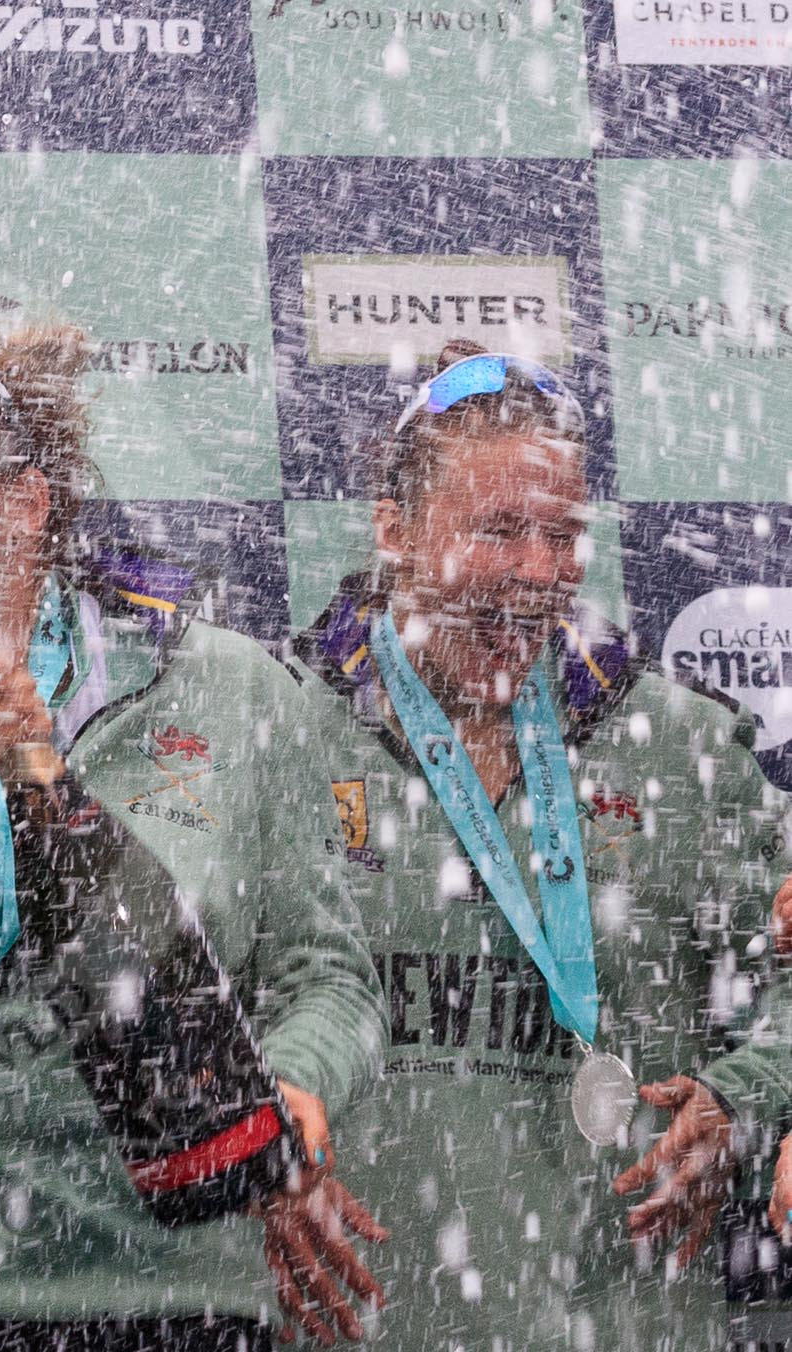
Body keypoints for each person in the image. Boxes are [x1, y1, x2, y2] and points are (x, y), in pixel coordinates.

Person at [0, 325, 388, 1351]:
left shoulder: (223, 686)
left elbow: (332, 976)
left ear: (21, 506)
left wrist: (292, 1089)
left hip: (173, 1292)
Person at [289, 342, 792, 1350]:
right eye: (498, 530)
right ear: (392, 530)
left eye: (561, 534)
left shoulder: (682, 746)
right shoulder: (284, 727)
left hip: (623, 1318)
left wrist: (750, 1095)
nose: (534, 570)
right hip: (349, 1318)